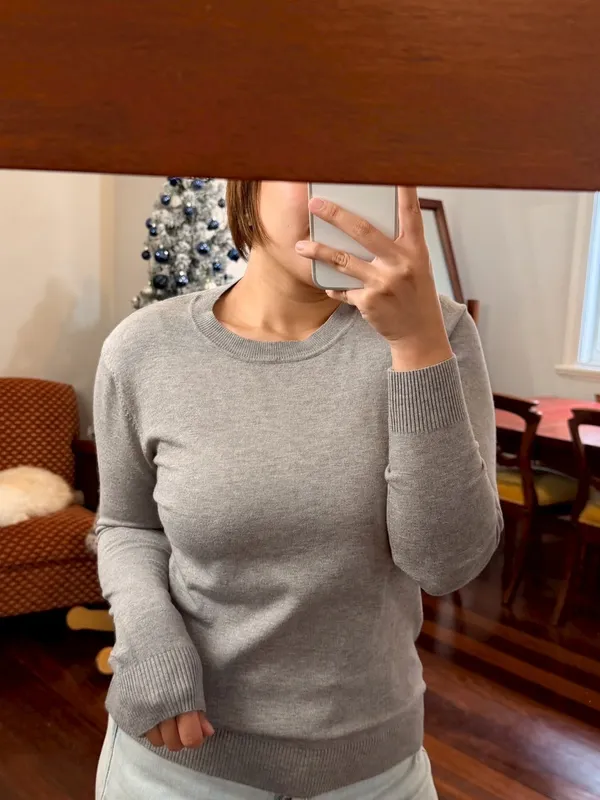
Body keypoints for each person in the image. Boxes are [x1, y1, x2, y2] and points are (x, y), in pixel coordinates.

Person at [94, 182, 502, 800]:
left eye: (369, 168)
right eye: (309, 167)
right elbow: (127, 524)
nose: (340, 198)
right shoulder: (144, 347)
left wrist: (415, 346)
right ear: (247, 182)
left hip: (373, 771)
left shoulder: (439, 332)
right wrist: (148, 638)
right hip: (178, 762)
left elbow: (445, 565)